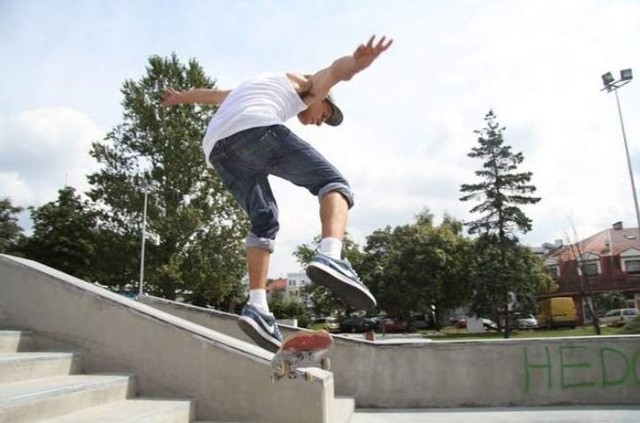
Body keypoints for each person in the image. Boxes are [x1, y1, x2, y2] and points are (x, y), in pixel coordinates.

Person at [161, 35, 393, 352]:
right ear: (322, 99)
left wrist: (178, 98)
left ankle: (257, 305)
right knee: (334, 184)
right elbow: (335, 72)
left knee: (264, 221)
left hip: (218, 149)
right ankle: (332, 255)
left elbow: (213, 96)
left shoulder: (253, 86)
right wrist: (357, 65)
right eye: (324, 115)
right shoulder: (308, 85)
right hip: (257, 131)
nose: (318, 122)